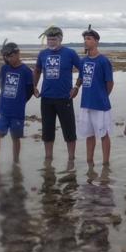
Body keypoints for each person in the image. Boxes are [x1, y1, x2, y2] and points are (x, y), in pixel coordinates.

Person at [33, 26, 83, 161]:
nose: (51, 42)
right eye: (49, 39)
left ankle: (71, 159)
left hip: (64, 98)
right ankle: (48, 159)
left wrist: (76, 87)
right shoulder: (42, 54)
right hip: (46, 98)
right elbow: (37, 70)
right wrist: (34, 86)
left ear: (60, 39)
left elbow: (83, 70)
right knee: (47, 131)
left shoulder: (70, 53)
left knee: (69, 131)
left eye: (54, 39)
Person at [76, 27, 114, 166]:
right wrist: (75, 87)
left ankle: (105, 164)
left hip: (100, 105)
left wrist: (103, 96)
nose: (86, 41)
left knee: (103, 134)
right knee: (89, 135)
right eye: (85, 39)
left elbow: (109, 83)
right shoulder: (83, 61)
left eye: (89, 39)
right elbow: (81, 77)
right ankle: (89, 162)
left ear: (96, 41)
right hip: (86, 103)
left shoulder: (103, 61)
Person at [0, 41, 34, 166]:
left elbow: (30, 91)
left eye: (11, 56)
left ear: (18, 53)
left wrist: (20, 101)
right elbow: (2, 86)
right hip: (2, 109)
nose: (9, 59)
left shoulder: (26, 71)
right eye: (6, 56)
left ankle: (16, 162)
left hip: (17, 111)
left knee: (15, 137)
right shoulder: (4, 69)